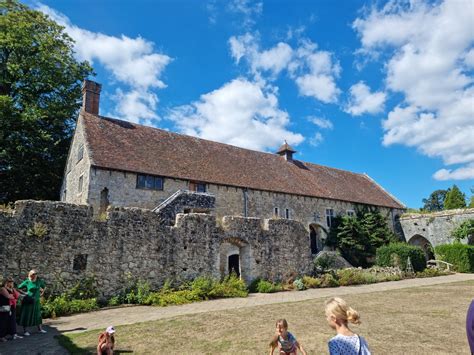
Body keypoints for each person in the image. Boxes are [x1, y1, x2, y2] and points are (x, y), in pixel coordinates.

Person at [18, 270, 46, 336]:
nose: (35, 275)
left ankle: (40, 329)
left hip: (36, 301)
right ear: (30, 274)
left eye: (36, 273)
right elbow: (18, 287)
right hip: (29, 300)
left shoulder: (39, 281)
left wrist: (42, 293)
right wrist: (24, 293)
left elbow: (44, 287)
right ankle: (25, 331)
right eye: (33, 274)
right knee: (27, 315)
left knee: (38, 315)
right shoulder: (27, 281)